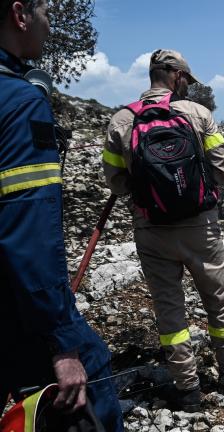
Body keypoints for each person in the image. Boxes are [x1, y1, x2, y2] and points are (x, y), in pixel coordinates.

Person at [0, 0, 123, 430]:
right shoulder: (20, 102)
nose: (49, 27)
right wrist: (62, 342)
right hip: (16, 309)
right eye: (46, 14)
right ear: (20, 15)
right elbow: (28, 229)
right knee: (91, 382)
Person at [103, 49, 224, 412]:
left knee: (170, 310)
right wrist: (196, 191)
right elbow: (223, 167)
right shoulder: (198, 114)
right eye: (185, 80)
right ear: (175, 75)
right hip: (200, 226)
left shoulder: (121, 121)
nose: (187, 86)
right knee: (218, 300)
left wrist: (148, 196)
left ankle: (188, 389)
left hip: (152, 229)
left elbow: (115, 182)